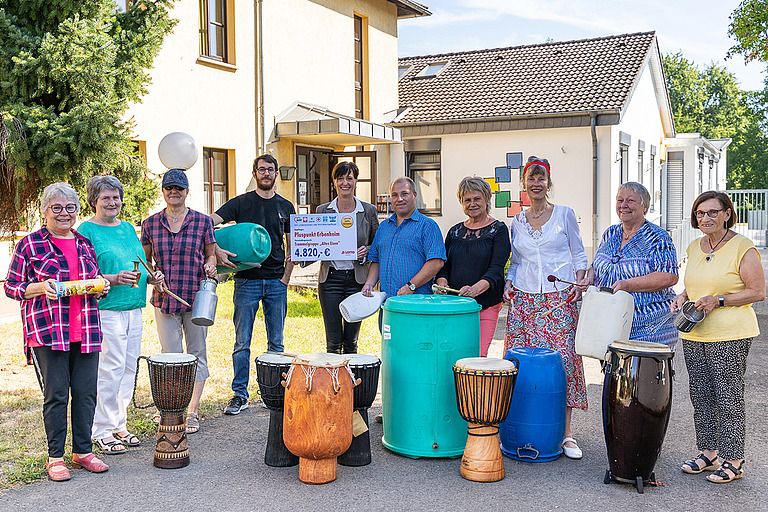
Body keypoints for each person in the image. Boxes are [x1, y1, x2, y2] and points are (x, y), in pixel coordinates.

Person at [4, 182, 111, 481]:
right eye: (57, 208)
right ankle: (55, 458)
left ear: (77, 210)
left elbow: (93, 279)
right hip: (48, 332)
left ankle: (83, 451)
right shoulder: (30, 244)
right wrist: (38, 288)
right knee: (56, 396)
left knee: (86, 393)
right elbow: (12, 286)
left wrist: (101, 285)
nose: (64, 214)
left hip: (86, 329)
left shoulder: (84, 243)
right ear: (45, 211)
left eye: (70, 208)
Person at [671, 191, 764, 484]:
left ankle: (734, 460)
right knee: (701, 395)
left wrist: (719, 300)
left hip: (731, 333)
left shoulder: (742, 247)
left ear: (727, 213)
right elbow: (695, 284)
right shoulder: (695, 246)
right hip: (696, 332)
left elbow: (758, 291)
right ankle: (709, 453)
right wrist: (682, 296)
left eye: (713, 212)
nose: (706, 218)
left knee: (728, 396)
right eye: (701, 213)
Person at [502, 156, 589, 460]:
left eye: (541, 179)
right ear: (524, 184)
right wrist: (509, 283)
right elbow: (516, 261)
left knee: (562, 364)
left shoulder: (564, 214)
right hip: (525, 301)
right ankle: (520, 426)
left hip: (558, 298)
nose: (536, 184)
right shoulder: (517, 221)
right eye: (531, 179)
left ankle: (565, 434)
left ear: (548, 183)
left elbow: (578, 254)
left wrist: (579, 281)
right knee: (521, 367)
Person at [78, 176, 163, 454]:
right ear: (94, 201)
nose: (112, 202)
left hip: (134, 306)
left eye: (115, 197)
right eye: (106, 198)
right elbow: (84, 275)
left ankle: (119, 424)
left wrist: (153, 276)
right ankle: (100, 430)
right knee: (110, 368)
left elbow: (140, 263)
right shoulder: (87, 230)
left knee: (128, 367)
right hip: (107, 308)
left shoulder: (127, 228)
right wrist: (113, 278)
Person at [212, 154, 295, 415]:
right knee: (242, 342)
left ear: (275, 174)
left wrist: (286, 277)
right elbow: (208, 223)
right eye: (262, 169)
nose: (266, 173)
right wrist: (216, 250)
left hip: (276, 282)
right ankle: (239, 394)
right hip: (246, 282)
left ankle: (276, 393)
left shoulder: (286, 206)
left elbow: (294, 245)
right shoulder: (241, 203)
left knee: (277, 343)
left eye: (270, 169)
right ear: (255, 173)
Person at [141, 169, 217, 434]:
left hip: (196, 299)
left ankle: (193, 411)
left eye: (179, 188)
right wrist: (153, 277)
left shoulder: (202, 221)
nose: (174, 192)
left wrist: (210, 265)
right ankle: (173, 409)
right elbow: (145, 264)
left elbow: (211, 256)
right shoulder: (150, 224)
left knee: (197, 354)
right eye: (169, 188)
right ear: (163, 191)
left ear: (187, 191)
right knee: (171, 356)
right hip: (165, 300)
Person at [587, 182, 679, 347]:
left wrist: (627, 284)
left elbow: (669, 276)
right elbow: (597, 265)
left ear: (644, 206)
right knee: (611, 372)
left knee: (641, 373)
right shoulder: (610, 233)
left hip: (648, 327)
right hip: (609, 323)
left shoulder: (658, 237)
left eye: (630, 201)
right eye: (620, 200)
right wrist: (589, 278)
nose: (624, 205)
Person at [436, 177, 510, 357]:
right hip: (455, 306)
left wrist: (475, 290)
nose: (472, 204)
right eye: (467, 200)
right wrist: (442, 282)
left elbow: (496, 269)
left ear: (487, 199)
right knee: (453, 354)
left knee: (476, 355)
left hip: (485, 305)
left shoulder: (498, 230)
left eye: (477, 199)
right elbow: (444, 265)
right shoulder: (454, 231)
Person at [316, 161, 379, 354]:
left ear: (356, 181)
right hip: (330, 280)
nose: (345, 182)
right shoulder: (322, 210)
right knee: (333, 342)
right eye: (340, 178)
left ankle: (351, 382)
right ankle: (334, 383)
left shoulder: (368, 211)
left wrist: (367, 249)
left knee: (351, 340)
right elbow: (315, 241)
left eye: (349, 178)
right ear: (334, 182)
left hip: (357, 279)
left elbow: (377, 245)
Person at [362, 176, 446, 304]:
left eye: (404, 194)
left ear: (414, 195)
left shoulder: (428, 226)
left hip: (417, 304)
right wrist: (369, 283)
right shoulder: (384, 227)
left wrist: (411, 286)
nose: (399, 199)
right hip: (388, 305)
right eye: (395, 195)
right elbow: (376, 260)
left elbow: (436, 262)